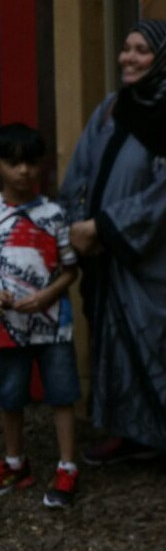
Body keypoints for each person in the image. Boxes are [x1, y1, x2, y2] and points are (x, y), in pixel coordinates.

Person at [58, 19, 166, 495]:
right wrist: (75, 221)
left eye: (142, 50)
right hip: (108, 258)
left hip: (158, 262)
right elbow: (81, 169)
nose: (129, 57)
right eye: (126, 48)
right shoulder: (112, 108)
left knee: (164, 343)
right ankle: (133, 433)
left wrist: (102, 227)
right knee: (115, 342)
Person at [0, 124, 82, 508]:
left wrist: (47, 294)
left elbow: (70, 269)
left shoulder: (54, 214)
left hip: (53, 326)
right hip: (7, 328)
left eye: (31, 163)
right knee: (10, 396)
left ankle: (68, 465)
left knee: (61, 394)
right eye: (13, 163)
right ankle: (15, 461)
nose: (23, 172)